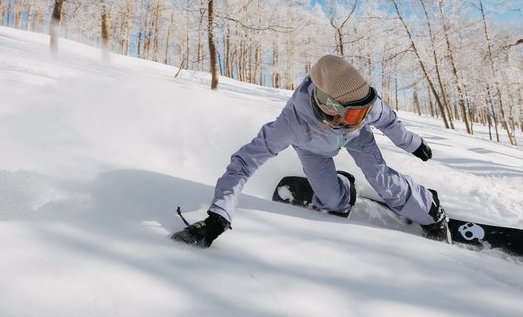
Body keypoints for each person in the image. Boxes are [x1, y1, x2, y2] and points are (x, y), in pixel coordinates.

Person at [171, 54, 449, 247]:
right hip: (312, 148)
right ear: (329, 106)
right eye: (357, 113)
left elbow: (387, 120)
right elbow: (243, 163)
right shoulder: (291, 125)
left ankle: (430, 209)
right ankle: (344, 189)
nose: (367, 116)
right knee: (331, 201)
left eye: (367, 107)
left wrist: (412, 143)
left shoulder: (361, 112)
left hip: (356, 138)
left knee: (382, 179)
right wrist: (219, 214)